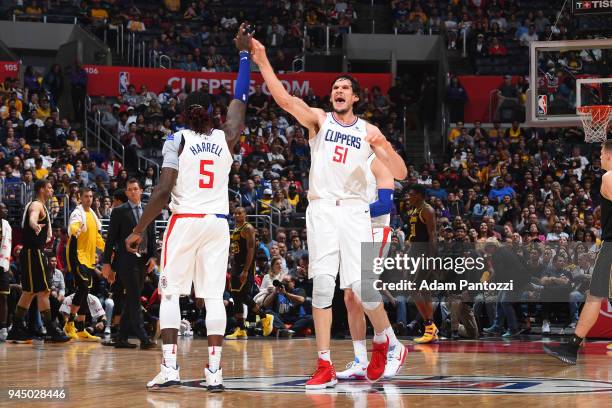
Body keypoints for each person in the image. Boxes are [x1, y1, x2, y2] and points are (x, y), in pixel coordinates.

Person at [251, 37, 407, 389]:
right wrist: (262, 61)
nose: (339, 90)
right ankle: (324, 364)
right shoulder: (319, 121)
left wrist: (382, 147)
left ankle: (389, 341)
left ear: (354, 98)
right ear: (331, 96)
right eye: (335, 87)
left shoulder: (369, 131)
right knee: (322, 287)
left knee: (362, 289)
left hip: (354, 212)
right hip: (321, 209)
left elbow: (400, 173)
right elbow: (285, 99)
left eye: (345, 88)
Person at [125, 23, 251, 392]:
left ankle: (170, 367)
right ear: (213, 115)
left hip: (186, 220)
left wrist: (138, 229)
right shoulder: (226, 138)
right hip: (218, 223)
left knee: (170, 293)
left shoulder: (176, 139)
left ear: (183, 114)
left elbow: (164, 190)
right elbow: (240, 100)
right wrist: (244, 55)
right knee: (214, 298)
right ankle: (214, 372)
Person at [338, 154, 406, 380]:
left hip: (375, 232)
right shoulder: (346, 167)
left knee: (363, 288)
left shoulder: (376, 162)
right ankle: (360, 360)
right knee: (350, 296)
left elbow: (385, 205)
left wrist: (350, 212)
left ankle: (395, 346)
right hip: (353, 233)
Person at [544, 140, 612, 364]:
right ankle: (572, 345)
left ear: (610, 155)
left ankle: (572, 347)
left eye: (602, 153)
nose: (600, 157)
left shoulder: (608, 176)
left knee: (594, 297)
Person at [6, 180, 70, 343]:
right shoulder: (37, 205)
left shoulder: (39, 205)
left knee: (29, 292)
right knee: (44, 291)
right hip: (34, 253)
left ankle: (16, 328)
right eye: (49, 187)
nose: (52, 189)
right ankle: (50, 328)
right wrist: (34, 224)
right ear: (41, 189)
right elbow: (32, 218)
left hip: (30, 253)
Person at [101, 178, 156, 349]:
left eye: (135, 188)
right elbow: (110, 239)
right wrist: (106, 263)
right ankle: (143, 338)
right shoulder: (119, 211)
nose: (133, 191)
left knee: (132, 298)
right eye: (129, 189)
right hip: (125, 261)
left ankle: (121, 338)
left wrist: (153, 257)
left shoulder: (148, 209)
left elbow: (152, 235)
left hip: (143, 261)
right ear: (126, 192)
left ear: (140, 191)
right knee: (134, 299)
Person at [63, 187, 105, 342]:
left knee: (86, 291)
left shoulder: (92, 216)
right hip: (76, 256)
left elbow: (97, 238)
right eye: (86, 196)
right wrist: (76, 229)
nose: (89, 199)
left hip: (88, 259)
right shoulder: (77, 213)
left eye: (91, 196)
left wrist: (108, 249)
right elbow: (73, 226)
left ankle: (80, 329)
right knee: (82, 288)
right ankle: (69, 323)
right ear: (80, 198)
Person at [225, 207, 274, 339]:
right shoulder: (236, 228)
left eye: (239, 213)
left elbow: (251, 250)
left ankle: (264, 317)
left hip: (245, 267)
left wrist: (246, 270)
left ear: (245, 215)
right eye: (235, 213)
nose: (236, 215)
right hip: (236, 266)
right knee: (236, 297)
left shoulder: (248, 228)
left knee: (243, 296)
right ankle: (241, 329)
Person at [405, 183, 438, 343]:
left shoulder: (427, 210)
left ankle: (429, 325)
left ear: (419, 195)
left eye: (411, 194)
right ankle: (431, 330)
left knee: (414, 289)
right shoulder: (414, 210)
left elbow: (433, 236)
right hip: (415, 252)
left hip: (424, 253)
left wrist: (432, 258)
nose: (408, 197)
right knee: (424, 291)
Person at [0, 203, 12, 341]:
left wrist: (6, 263)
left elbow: (8, 247)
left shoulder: (7, 225)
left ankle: (3, 327)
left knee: (3, 297)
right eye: (3, 208)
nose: (6, 210)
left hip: (3, 265)